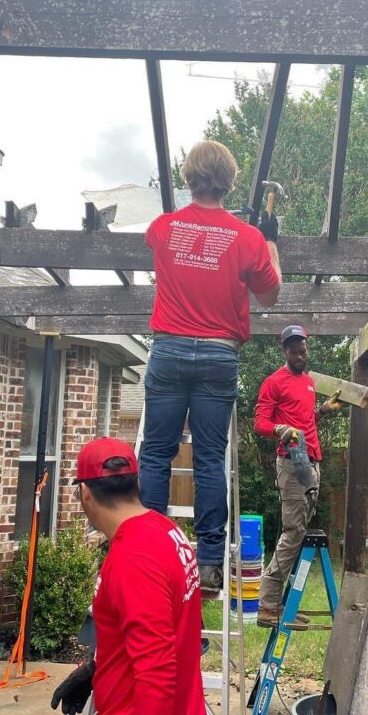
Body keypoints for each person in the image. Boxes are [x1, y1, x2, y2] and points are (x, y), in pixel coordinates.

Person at [141, 140, 282, 591]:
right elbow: (270, 295)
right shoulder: (248, 238)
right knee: (208, 459)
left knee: (157, 453)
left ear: (189, 176)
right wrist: (271, 241)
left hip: (170, 349)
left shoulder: (163, 228)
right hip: (219, 354)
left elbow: (176, 249)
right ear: (230, 180)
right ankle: (208, 562)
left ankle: (147, 550)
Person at [49, 437, 204, 715]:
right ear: (137, 483)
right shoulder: (166, 530)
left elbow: (157, 671)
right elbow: (159, 628)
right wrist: (97, 671)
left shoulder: (133, 558)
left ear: (85, 492)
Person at [253, 325, 342, 628]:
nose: (300, 354)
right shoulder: (274, 382)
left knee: (300, 530)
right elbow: (260, 423)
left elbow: (304, 420)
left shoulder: (307, 382)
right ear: (285, 352)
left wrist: (323, 411)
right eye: (294, 350)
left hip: (311, 461)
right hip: (291, 463)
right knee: (293, 532)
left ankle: (280, 604)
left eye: (303, 349)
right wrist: (280, 428)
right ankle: (268, 606)